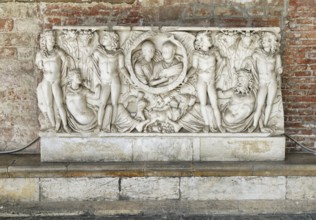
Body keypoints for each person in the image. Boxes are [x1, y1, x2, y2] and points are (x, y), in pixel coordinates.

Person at [186, 31, 225, 133]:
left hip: (211, 82)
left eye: (210, 37)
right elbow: (194, 67)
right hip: (201, 81)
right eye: (208, 38)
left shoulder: (214, 51)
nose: (210, 39)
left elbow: (221, 61)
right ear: (202, 41)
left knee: (215, 104)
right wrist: (187, 76)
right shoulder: (197, 54)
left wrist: (217, 71)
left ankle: (219, 125)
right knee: (203, 103)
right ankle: (207, 124)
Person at [92, 31, 131, 132]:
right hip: (104, 81)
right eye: (104, 36)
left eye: (106, 37)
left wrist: (130, 78)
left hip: (115, 80)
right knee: (102, 103)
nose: (103, 38)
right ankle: (99, 125)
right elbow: (93, 67)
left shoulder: (119, 54)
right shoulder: (98, 52)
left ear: (112, 40)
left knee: (114, 103)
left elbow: (122, 68)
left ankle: (112, 125)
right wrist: (96, 83)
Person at [36, 30, 73, 133]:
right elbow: (40, 65)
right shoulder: (40, 54)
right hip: (46, 80)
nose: (52, 40)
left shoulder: (58, 51)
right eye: (50, 39)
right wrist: (41, 64)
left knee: (60, 103)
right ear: (45, 40)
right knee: (48, 104)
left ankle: (65, 125)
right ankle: (52, 125)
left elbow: (67, 60)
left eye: (53, 38)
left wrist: (66, 72)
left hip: (56, 81)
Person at [245, 31, 282, 132]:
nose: (264, 42)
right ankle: (254, 125)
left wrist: (279, 70)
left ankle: (265, 125)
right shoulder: (257, 54)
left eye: (267, 40)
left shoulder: (276, 55)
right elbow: (250, 64)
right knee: (259, 104)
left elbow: (279, 69)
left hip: (272, 81)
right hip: (262, 82)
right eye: (264, 40)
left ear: (272, 42)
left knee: (269, 103)